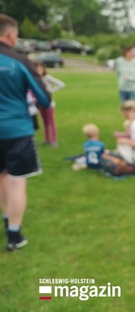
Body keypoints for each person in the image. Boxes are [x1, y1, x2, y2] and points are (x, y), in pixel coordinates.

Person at [0, 14, 51, 251]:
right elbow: (43, 98)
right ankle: (14, 235)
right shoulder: (20, 60)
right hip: (16, 129)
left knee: (2, 177)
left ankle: (7, 219)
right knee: (17, 180)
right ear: (10, 35)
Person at [34, 60, 65, 147]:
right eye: (37, 68)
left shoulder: (47, 77)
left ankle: (54, 140)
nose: (39, 70)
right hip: (40, 103)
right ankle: (47, 139)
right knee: (45, 122)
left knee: (51, 122)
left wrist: (50, 91)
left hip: (49, 103)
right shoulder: (35, 79)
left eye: (40, 68)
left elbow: (61, 84)